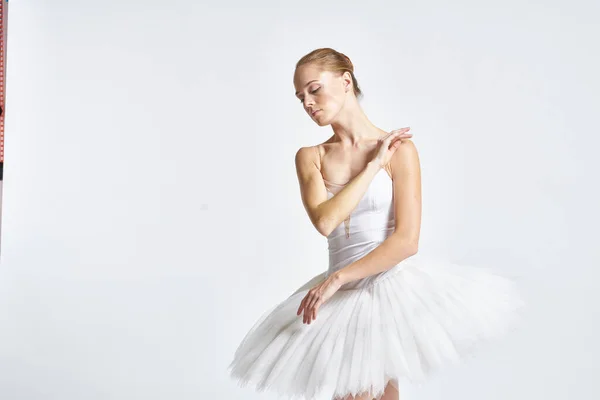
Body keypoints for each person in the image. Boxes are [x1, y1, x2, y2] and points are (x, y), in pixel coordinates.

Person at [227, 48, 525, 400]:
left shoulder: (400, 150)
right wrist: (371, 166)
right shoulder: (312, 157)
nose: (307, 102)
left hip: (386, 289)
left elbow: (406, 241)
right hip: (339, 300)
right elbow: (325, 221)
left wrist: (339, 278)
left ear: (345, 81)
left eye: (314, 89)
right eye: (300, 97)